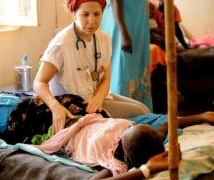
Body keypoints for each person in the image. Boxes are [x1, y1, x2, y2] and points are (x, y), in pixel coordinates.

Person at [34, 0, 150, 134]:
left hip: (96, 98)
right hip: (76, 104)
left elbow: (106, 79)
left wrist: (98, 98)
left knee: (143, 108)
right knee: (141, 112)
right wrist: (56, 108)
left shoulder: (104, 39)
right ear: (74, 14)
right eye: (85, 14)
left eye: (97, 14)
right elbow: (39, 82)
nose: (92, 21)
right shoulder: (61, 44)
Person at [35, 111, 214, 179]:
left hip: (68, 133)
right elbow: (165, 125)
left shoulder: (116, 163)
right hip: (83, 121)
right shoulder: (148, 138)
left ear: (126, 157)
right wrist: (202, 117)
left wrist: (146, 169)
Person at [101, 0, 153, 111]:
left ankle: (142, 114)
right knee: (122, 69)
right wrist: (123, 33)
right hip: (123, 26)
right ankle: (124, 115)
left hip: (137, 25)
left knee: (137, 69)